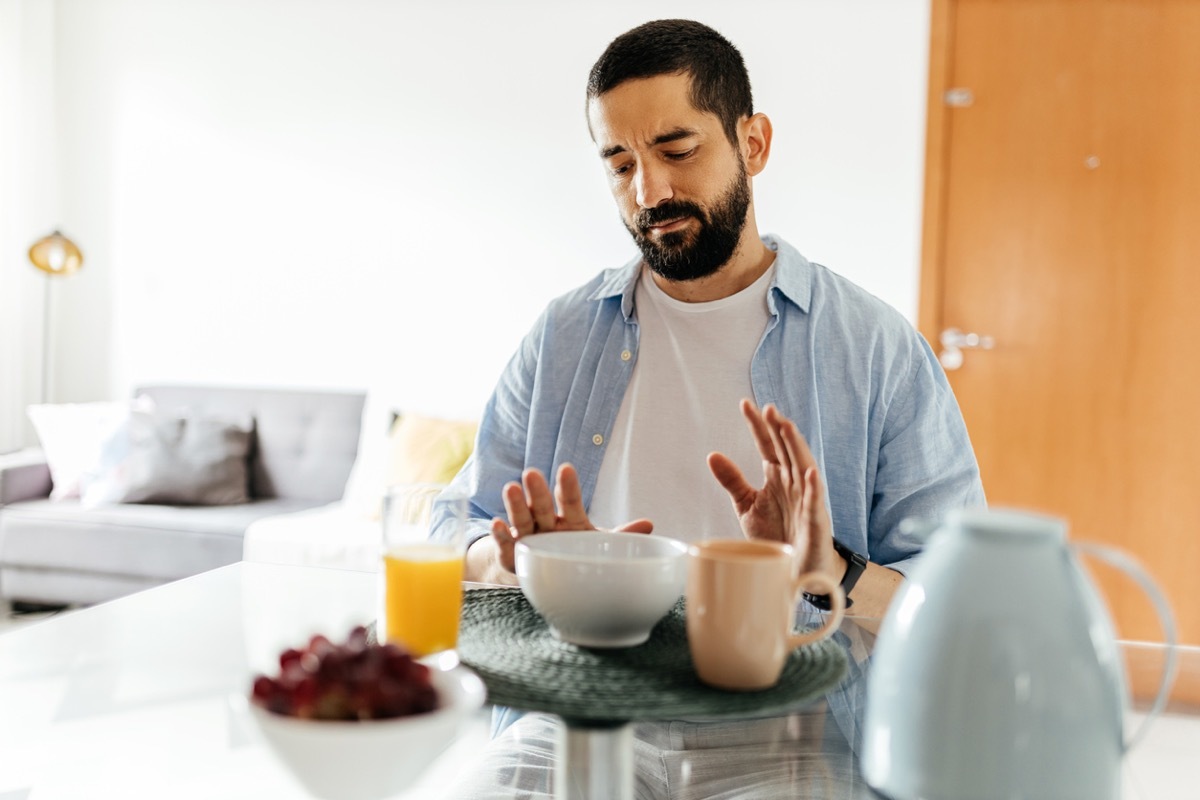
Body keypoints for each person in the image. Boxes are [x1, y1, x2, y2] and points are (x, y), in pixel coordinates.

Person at [433, 18, 984, 797]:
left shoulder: (875, 348)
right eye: (619, 163)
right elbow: (450, 530)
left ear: (752, 143)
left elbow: (962, 603)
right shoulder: (562, 336)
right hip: (583, 717)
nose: (648, 191)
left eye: (677, 151)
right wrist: (517, 559)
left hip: (789, 734)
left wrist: (829, 570)